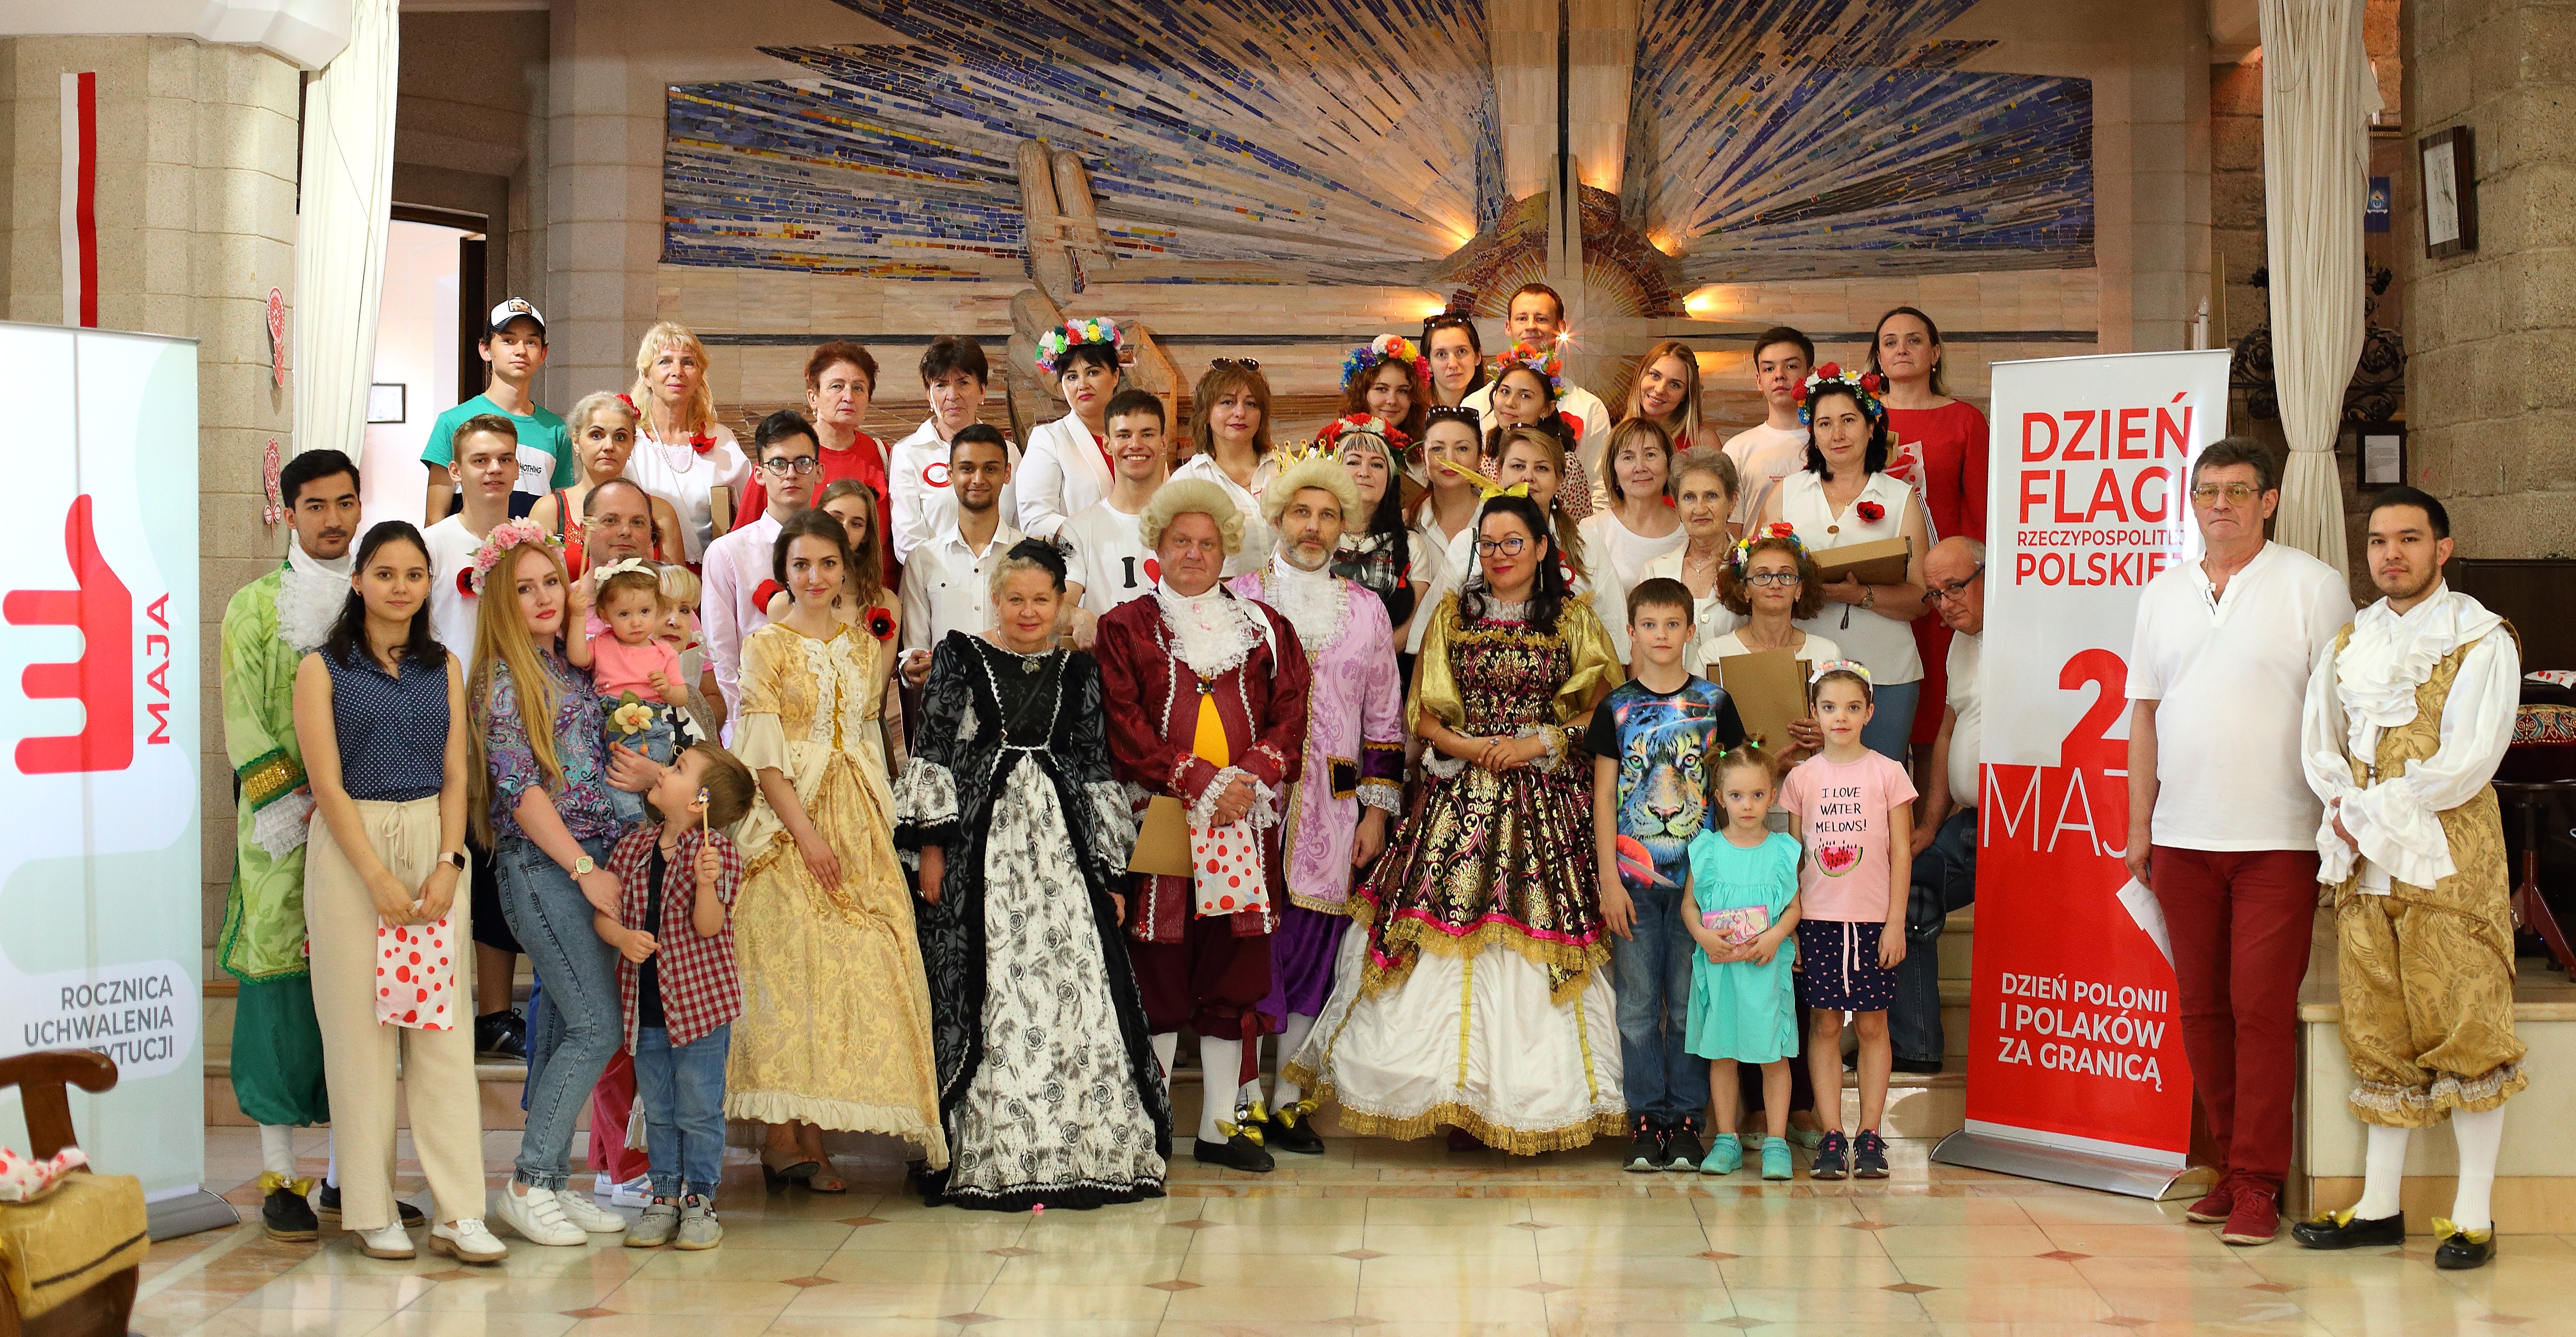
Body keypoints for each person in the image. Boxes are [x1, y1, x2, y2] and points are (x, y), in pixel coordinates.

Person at [1291, 494, 1626, 1153]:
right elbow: (1422, 713)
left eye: (1513, 543)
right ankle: (1455, 1101)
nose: (1500, 555)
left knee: (1531, 948)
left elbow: (1603, 706)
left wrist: (1536, 742)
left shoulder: (1575, 620)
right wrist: (1471, 747)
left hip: (1544, 798)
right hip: (1461, 792)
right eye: (1489, 544)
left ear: (1541, 548)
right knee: (1444, 942)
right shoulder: (1452, 614)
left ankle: (1524, 1102)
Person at [2125, 436, 2353, 1246]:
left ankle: (2260, 1181)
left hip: (2279, 836)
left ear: (2269, 501)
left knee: (2259, 1007)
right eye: (2207, 491)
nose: (2220, 504)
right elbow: (2144, 715)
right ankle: (2229, 1167)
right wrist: (2139, 825)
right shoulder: (2162, 592)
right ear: (2191, 503)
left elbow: (2342, 711)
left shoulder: (2313, 586)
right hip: (2182, 836)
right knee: (2202, 1007)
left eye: (2237, 490)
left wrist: (2338, 815)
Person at [897, 540, 1171, 1210]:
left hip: (1062, 850)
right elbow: (933, 747)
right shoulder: (961, 653)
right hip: (981, 849)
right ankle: (995, 1146)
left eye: (1041, 600)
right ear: (995, 599)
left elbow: (1096, 767)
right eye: (1015, 598)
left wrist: (1109, 873)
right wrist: (931, 848)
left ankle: (1083, 1144)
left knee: (1074, 982)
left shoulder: (1079, 670)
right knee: (993, 982)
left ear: (1060, 604)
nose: (1028, 611)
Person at [2290, 487, 2523, 1271]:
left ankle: (2473, 1216)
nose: (2391, 554)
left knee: (2466, 1023)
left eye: (2409, 539)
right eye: (2379, 542)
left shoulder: (2480, 639)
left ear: (2442, 549)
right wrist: (2343, 803)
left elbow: (2468, 759)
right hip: (2363, 861)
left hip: (2444, 858)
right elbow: (2319, 740)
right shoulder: (2349, 641)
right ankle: (2379, 1208)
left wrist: (2373, 808)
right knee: (2378, 1028)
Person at [291, 520, 501, 1264]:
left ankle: (460, 1212)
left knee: (441, 1037)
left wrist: (448, 863)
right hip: (351, 852)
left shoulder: (442, 665)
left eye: (414, 575)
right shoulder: (322, 669)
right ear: (359, 582)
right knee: (361, 1040)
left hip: (432, 844)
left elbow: (456, 775)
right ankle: (371, 1209)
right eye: (385, 573)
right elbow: (325, 784)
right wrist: (376, 877)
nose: (401, 587)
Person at [1094, 479, 1312, 1172]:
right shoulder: (1125, 626)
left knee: (1232, 969)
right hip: (1162, 816)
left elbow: (1291, 711)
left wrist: (1246, 778)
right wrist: (1199, 780)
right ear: (1157, 548)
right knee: (1158, 966)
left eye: (1208, 543)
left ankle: (1220, 1127)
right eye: (1181, 541)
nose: (1194, 553)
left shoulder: (1265, 627)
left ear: (1226, 551)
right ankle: (1152, 1127)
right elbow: (1124, 725)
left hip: (1243, 820)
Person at [729, 510, 947, 1191]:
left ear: (846, 570)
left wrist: (880, 818)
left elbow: (865, 734)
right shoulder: (766, 644)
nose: (815, 576)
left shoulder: (861, 646)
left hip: (859, 813)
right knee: (788, 970)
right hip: (786, 815)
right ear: (784, 572)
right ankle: (784, 1138)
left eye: (828, 563)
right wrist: (807, 834)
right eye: (801, 564)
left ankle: (814, 1132)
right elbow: (763, 756)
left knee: (859, 963)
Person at [467, 525, 645, 1248]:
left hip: (588, 859)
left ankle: (545, 1182)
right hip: (545, 869)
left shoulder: (568, 668)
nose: (543, 597)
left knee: (571, 1028)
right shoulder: (501, 680)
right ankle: (526, 1185)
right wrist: (584, 869)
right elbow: (521, 792)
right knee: (598, 1026)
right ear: (499, 602)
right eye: (524, 588)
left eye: (551, 582)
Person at [1227, 456, 1403, 1155]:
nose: (1313, 526)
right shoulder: (1237, 598)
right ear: (1277, 517)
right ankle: (1240, 1101)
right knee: (1243, 954)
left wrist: (1376, 813)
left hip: (1334, 808)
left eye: (1328, 515)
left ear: (1344, 527)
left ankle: (1289, 1101)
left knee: (1311, 956)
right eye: (1301, 512)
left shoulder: (1367, 610)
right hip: (1246, 806)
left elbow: (1384, 721)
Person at [221, 450, 370, 1240]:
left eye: (344, 503)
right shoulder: (252, 608)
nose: (332, 520)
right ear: (288, 513)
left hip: (370, 827)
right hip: (283, 835)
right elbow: (244, 718)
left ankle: (351, 1179)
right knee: (281, 1001)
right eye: (315, 506)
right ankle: (280, 1173)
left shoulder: (380, 595)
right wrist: (303, 803)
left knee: (360, 1000)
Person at [1588, 577, 1745, 1173]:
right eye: (1649, 625)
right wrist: (1608, 879)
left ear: (1690, 629)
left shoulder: (1715, 703)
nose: (1661, 635)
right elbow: (1605, 796)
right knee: (1635, 1006)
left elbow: (1732, 786)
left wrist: (1729, 874)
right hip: (1631, 882)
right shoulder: (1615, 706)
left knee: (1686, 1005)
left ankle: (1685, 1121)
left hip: (1698, 886)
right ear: (1631, 631)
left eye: (1672, 624)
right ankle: (1644, 1119)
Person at [595, 743, 756, 1250]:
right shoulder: (632, 849)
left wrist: (707, 885)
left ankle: (700, 1198)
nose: (664, 771)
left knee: (699, 1108)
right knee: (659, 1107)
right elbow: (605, 916)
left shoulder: (717, 854)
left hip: (700, 1010)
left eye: (679, 768)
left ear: (699, 802)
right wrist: (623, 938)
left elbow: (709, 927)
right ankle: (663, 1194)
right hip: (645, 1008)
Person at [426, 418, 537, 1063]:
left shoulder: (531, 543)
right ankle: (434, 1006)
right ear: (456, 470)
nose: (493, 469)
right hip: (448, 729)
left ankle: (495, 1013)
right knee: (448, 862)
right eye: (479, 459)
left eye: (504, 458)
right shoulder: (433, 546)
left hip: (517, 727)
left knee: (502, 867)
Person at [1781, 662, 1916, 1181]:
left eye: (1853, 707)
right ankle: (1832, 1133)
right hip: (1818, 920)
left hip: (1873, 922)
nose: (1841, 717)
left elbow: (1901, 852)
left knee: (1872, 1024)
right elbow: (1794, 856)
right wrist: (1792, 923)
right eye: (1830, 707)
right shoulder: (1802, 778)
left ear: (1870, 713)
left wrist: (1895, 921)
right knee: (1824, 1024)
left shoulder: (1889, 773)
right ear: (1814, 713)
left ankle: (1871, 1133)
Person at [1759, 365, 1929, 763]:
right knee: (1803, 785)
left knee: (1878, 786)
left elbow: (1922, 598)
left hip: (1885, 671)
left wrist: (1860, 595)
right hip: (1801, 669)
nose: (1837, 434)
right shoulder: (1788, 493)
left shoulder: (1901, 497)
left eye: (1849, 421)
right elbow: (1753, 573)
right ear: (1812, 433)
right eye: (1825, 424)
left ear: (1871, 427)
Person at [1868, 306, 1988, 757]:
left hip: (1944, 589)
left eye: (1914, 340)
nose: (1902, 349)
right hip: (1880, 585)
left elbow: (1980, 510)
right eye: (1891, 342)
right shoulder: (1860, 419)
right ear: (1879, 357)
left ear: (1935, 353)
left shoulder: (1964, 420)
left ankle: (1934, 804)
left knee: (1940, 713)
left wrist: (1964, 585)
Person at [1683, 743, 1802, 1181]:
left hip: (1764, 971)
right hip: (1722, 970)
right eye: (1736, 796)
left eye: (1756, 795)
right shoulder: (1707, 850)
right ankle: (1726, 1140)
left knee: (1773, 1056)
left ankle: (1776, 1143)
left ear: (1772, 796)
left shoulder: (1783, 850)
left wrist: (1775, 935)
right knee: (1723, 1056)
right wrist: (1701, 935)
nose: (1747, 805)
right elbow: (1690, 906)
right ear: (1719, 797)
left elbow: (1794, 908)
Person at [1897, 537, 1986, 1077]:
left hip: (2028, 825)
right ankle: (1917, 1046)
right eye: (1935, 594)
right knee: (1906, 891)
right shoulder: (1960, 644)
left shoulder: (2028, 637)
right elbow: (1948, 730)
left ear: (1989, 573)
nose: (1946, 604)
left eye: (1955, 587)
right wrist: (1930, 824)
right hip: (1969, 824)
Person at [703, 411, 824, 731]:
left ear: (819, 471)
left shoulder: (835, 550)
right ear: (759, 474)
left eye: (803, 463)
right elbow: (722, 656)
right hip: (756, 716)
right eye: (778, 464)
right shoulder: (727, 553)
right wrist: (738, 730)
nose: (791, 474)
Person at [735, 342, 894, 580]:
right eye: (837, 386)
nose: (849, 397)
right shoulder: (783, 459)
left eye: (858, 388)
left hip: (869, 592)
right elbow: (745, 541)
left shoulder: (882, 455)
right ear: (813, 397)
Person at [1461, 284, 1612, 512]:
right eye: (1522, 318)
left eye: (1541, 319)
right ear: (1508, 327)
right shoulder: (1474, 405)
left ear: (1560, 327)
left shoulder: (1590, 407)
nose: (1531, 326)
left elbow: (1600, 491)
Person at [423, 298, 570, 524]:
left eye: (531, 342)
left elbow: (560, 514)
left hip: (533, 546)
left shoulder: (556, 429)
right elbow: (435, 520)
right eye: (509, 341)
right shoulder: (452, 421)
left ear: (543, 354)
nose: (521, 351)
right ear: (485, 349)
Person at [899, 425, 1022, 688]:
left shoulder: (1028, 554)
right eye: (967, 469)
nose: (978, 479)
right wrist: (911, 667)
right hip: (947, 704)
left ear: (1007, 473)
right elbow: (914, 650)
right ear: (950, 473)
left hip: (1017, 701)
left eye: (990, 469)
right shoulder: (922, 559)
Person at [567, 562, 690, 826]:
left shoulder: (664, 652)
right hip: (607, 722)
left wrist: (668, 690)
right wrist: (577, 616)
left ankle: (634, 825)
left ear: (657, 609)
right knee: (611, 777)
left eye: (645, 611)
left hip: (649, 727)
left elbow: (682, 696)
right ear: (605, 615)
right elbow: (577, 657)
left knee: (620, 777)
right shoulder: (602, 643)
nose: (636, 622)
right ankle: (633, 824)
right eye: (624, 614)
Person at [623, 322, 754, 565]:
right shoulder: (631, 441)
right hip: (646, 572)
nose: (677, 371)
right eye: (665, 362)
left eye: (688, 363)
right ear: (646, 376)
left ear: (699, 377)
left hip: (710, 573)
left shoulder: (722, 440)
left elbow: (750, 510)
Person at [889, 336, 1019, 565]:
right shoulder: (908, 453)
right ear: (929, 395)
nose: (952, 395)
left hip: (1003, 574)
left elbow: (1021, 525)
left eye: (963, 383)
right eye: (941, 385)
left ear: (982, 391)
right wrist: (958, 574)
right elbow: (908, 544)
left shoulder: (1009, 452)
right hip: (936, 578)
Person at [1061, 389, 1173, 646]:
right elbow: (1057, 607)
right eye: (1124, 435)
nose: (1135, 445)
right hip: (1110, 664)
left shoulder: (1188, 524)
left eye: (1148, 434)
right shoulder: (1078, 529)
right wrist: (1077, 617)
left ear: (1164, 443)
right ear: (1107, 444)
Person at [528, 393, 682, 576]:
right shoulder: (550, 510)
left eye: (620, 437)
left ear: (632, 445)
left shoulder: (661, 513)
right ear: (576, 441)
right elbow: (531, 582)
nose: (609, 446)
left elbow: (678, 589)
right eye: (596, 435)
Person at [1580, 419, 1686, 659]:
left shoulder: (1689, 531)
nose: (1640, 467)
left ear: (1669, 464)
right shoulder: (1592, 531)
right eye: (1628, 457)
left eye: (1650, 455)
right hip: (1613, 664)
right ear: (1614, 472)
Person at [1016, 316, 1126, 540]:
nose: (1082, 385)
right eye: (1072, 377)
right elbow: (1035, 520)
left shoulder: (1137, 433)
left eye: (1093, 373)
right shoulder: (1048, 439)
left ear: (1115, 376)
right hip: (1078, 558)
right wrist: (1093, 539)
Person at [1628, 449, 1743, 661]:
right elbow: (1640, 659)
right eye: (1689, 497)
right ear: (1677, 505)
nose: (1700, 509)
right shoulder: (1655, 571)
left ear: (1732, 502)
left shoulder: (1752, 569)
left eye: (1711, 496)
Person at [1322, 414, 1422, 651]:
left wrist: (1362, 664)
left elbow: (1412, 628)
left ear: (1390, 478)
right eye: (1353, 462)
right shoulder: (1313, 535)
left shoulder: (1412, 545)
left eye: (1377, 465)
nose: (1364, 472)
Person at [1172, 358, 1279, 577]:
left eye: (1251, 404)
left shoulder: (1286, 469)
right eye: (1227, 402)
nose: (1240, 413)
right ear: (1206, 413)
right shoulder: (1188, 481)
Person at [1723, 328, 1814, 534]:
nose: (1779, 375)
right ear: (1759, 381)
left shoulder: (1831, 442)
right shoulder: (1737, 449)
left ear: (1811, 375)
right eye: (1769, 369)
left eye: (1791, 366)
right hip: (1758, 554)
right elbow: (1732, 531)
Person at [1409, 405, 1485, 604]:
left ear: (1480, 458)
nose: (1450, 459)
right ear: (1423, 457)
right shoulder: (1407, 522)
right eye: (1438, 449)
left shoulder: (1499, 519)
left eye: (1462, 449)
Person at [1340, 335, 1428, 460]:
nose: (1392, 401)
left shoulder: (1425, 452)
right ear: (1362, 394)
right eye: (1381, 389)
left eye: (1402, 391)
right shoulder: (1340, 450)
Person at [1625, 339, 1721, 454]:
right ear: (1640, 375)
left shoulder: (1703, 441)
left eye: (1675, 385)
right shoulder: (1615, 435)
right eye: (1655, 376)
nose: (1660, 390)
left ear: (1686, 395)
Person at [1421, 310, 1488, 411]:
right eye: (1441, 354)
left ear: (1478, 356)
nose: (1453, 364)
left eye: (1461, 351)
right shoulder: (1413, 412)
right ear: (1428, 363)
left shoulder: (1495, 410)